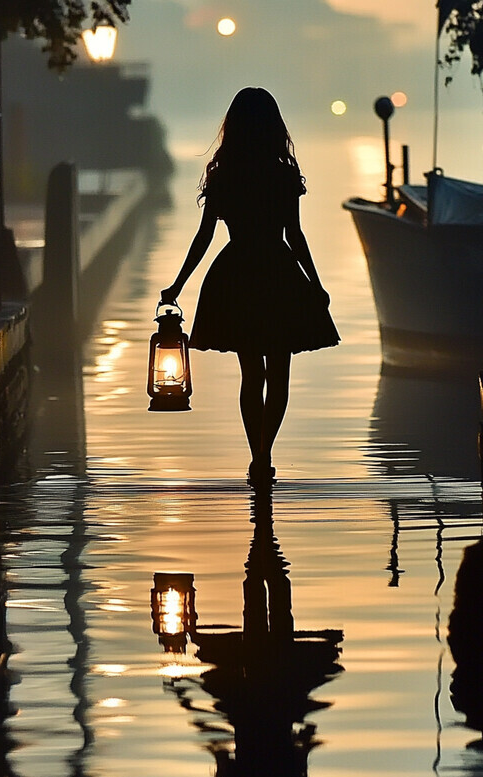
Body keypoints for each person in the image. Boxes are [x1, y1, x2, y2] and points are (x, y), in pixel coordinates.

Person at [160, 87, 339, 485]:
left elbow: (204, 237)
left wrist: (177, 285)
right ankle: (265, 454)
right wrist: (316, 283)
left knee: (251, 376)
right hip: (278, 275)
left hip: (236, 275)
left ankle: (258, 455)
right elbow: (295, 235)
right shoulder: (282, 174)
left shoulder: (225, 175)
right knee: (278, 374)